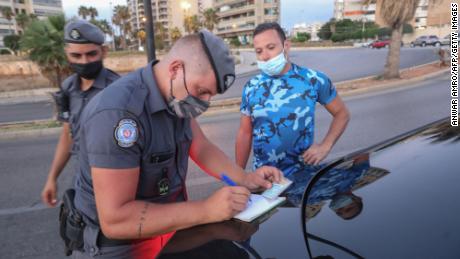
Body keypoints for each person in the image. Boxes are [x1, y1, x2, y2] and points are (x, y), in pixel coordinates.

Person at [66, 29, 282, 258]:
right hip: (121, 247)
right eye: (202, 91)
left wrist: (246, 179)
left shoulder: (176, 96)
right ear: (175, 69)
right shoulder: (119, 115)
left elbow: (200, 147)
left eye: (211, 95)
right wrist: (207, 210)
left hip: (169, 232)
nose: (204, 103)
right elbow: (117, 220)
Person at [235, 22, 350, 178]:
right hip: (264, 179)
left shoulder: (313, 79)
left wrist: (325, 146)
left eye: (271, 47)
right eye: (259, 51)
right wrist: (238, 177)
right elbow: (244, 133)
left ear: (286, 46)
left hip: (304, 175)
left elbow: (342, 113)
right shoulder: (251, 86)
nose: (265, 56)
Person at [41, 20, 119, 207]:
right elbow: (68, 135)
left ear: (104, 51)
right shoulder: (68, 88)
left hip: (114, 181)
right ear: (67, 54)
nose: (84, 61)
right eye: (76, 55)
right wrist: (52, 178)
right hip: (83, 179)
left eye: (91, 54)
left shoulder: (118, 89)